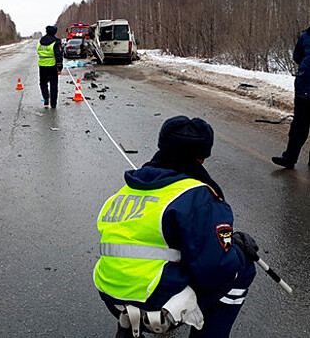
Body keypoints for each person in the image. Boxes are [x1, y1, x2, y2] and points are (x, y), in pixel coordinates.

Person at [93, 116, 258, 338]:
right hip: (154, 302)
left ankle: (127, 330)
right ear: (201, 158)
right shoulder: (198, 197)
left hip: (111, 297)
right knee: (242, 267)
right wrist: (237, 248)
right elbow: (214, 270)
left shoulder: (124, 193)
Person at [272, 26, 310, 169]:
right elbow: (297, 56)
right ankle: (289, 158)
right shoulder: (305, 36)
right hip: (304, 88)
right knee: (298, 127)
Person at [37, 25, 63, 108]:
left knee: (43, 83)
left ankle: (45, 98)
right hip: (52, 66)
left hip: (42, 65)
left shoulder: (41, 41)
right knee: (53, 85)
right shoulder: (56, 41)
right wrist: (59, 68)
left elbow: (38, 51)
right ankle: (53, 103)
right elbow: (58, 55)